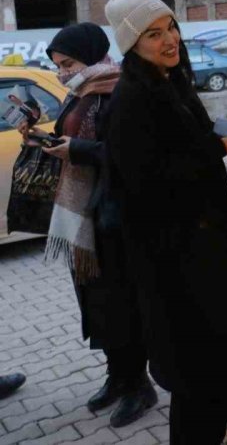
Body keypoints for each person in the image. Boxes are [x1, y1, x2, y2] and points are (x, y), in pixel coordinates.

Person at [103, 0, 227, 445]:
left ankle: (222, 427)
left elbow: (181, 147)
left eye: (171, 27)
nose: (169, 40)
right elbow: (146, 184)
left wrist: (217, 137)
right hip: (174, 262)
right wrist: (216, 148)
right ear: (131, 44)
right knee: (195, 373)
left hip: (205, 248)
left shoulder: (170, 81)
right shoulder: (130, 100)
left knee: (215, 362)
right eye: (153, 34)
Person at [24, 23, 156, 427]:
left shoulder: (119, 89)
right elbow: (73, 142)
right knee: (97, 304)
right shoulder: (80, 91)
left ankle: (140, 385)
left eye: (68, 63)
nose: (62, 72)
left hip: (114, 216)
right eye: (58, 66)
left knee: (121, 304)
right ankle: (117, 376)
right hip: (85, 216)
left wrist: (77, 150)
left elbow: (129, 152)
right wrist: (39, 137)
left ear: (92, 54)